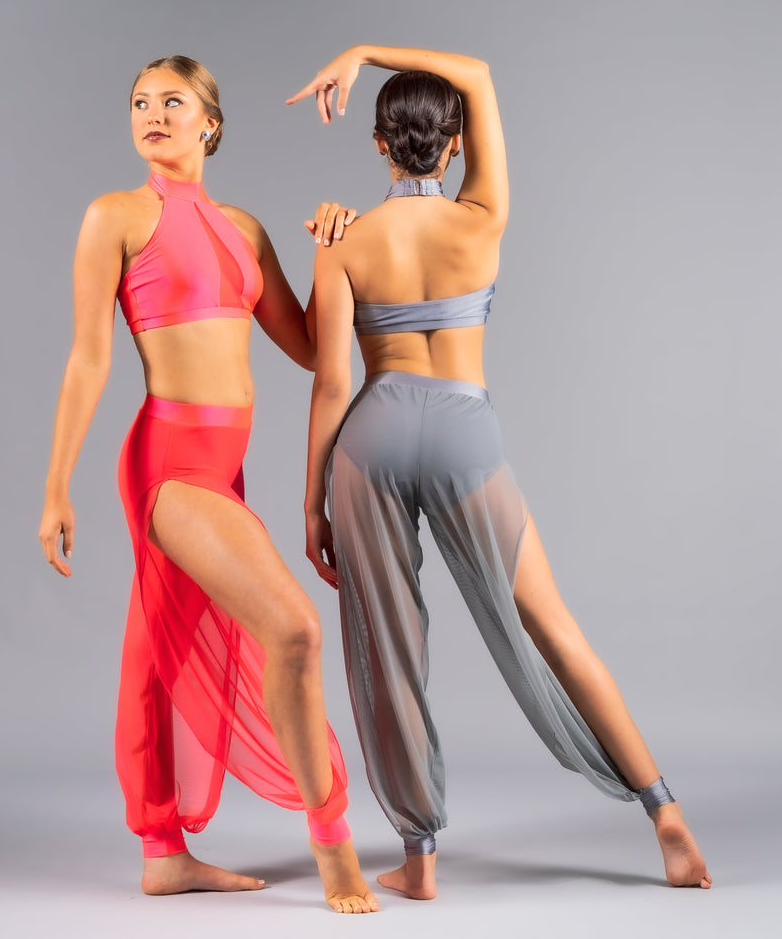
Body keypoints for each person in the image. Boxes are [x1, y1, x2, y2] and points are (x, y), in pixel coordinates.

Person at [288, 45, 712, 900]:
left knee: (388, 648)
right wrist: (365, 51)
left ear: (378, 144)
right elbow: (476, 74)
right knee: (552, 625)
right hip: (462, 430)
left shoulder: (344, 243)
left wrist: (311, 505)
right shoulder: (482, 218)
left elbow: (330, 381)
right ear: (454, 145)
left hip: (371, 435)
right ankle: (663, 812)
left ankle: (418, 860)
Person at [38, 55, 378, 913]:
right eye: (140, 102)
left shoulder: (243, 229)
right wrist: (56, 487)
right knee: (293, 629)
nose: (152, 114)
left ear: (210, 124)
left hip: (224, 469)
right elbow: (88, 357)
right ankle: (332, 839)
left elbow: (312, 347)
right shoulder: (115, 215)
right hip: (167, 464)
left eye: (172, 101)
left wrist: (333, 246)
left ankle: (162, 852)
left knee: (160, 647)